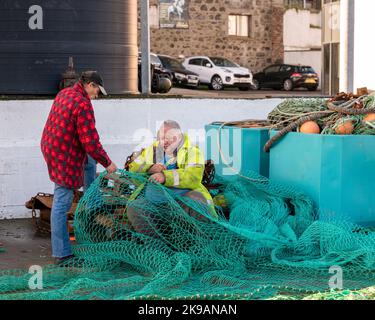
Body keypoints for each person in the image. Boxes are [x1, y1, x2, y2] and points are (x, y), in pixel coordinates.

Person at [41, 70, 117, 263]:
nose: (97, 95)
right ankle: (62, 253)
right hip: (64, 156)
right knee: (62, 201)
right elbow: (90, 142)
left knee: (90, 162)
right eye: (97, 90)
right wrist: (108, 163)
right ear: (89, 85)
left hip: (51, 147)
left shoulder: (65, 93)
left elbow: (84, 141)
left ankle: (92, 202)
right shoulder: (83, 104)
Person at [126, 120, 217, 236]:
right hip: (155, 200)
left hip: (182, 198)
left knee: (196, 201)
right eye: (161, 138)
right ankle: (158, 247)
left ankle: (197, 244)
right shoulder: (153, 150)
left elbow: (193, 176)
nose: (164, 142)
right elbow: (134, 168)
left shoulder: (192, 152)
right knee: (135, 207)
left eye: (169, 138)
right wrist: (150, 168)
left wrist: (164, 176)